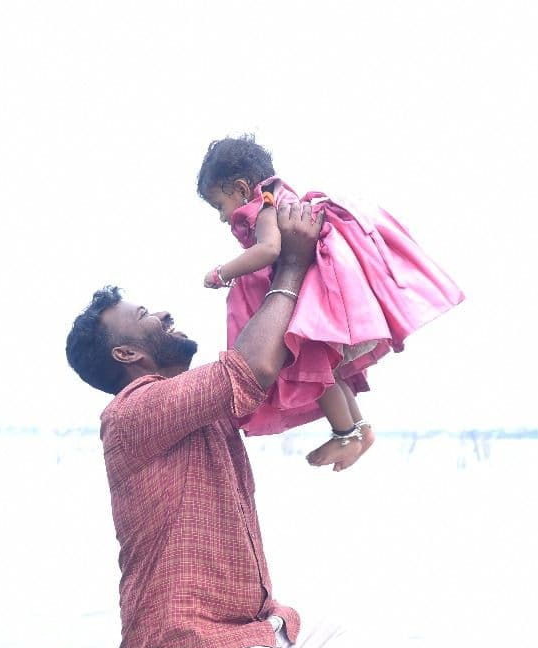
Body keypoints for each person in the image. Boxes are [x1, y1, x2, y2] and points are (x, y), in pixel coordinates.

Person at [64, 203, 538, 648]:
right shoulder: (133, 412)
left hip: (256, 628)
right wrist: (288, 260)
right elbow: (250, 369)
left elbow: (286, 362)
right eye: (146, 317)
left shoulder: (195, 406)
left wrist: (316, 276)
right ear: (125, 353)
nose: (165, 315)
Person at [197, 135, 466, 471]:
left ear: (240, 187)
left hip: (306, 308)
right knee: (328, 371)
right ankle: (359, 430)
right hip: (323, 303)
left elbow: (268, 250)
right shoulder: (283, 197)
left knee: (312, 371)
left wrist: (222, 274)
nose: (223, 218)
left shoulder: (266, 207)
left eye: (219, 205)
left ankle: (346, 433)